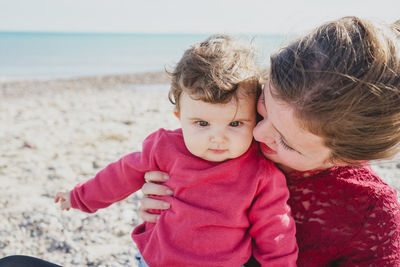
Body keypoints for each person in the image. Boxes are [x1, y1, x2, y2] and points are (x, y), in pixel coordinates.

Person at [138, 16, 400, 266]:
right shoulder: (234, 132)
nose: (258, 135)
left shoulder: (373, 215)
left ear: (346, 158)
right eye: (261, 110)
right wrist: (166, 210)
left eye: (285, 141)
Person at [52, 35, 298, 267]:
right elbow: (120, 175)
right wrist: (79, 197)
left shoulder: (261, 174)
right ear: (180, 118)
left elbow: (275, 231)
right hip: (157, 260)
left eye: (235, 124)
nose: (218, 138)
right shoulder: (165, 148)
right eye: (202, 124)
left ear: (254, 119)